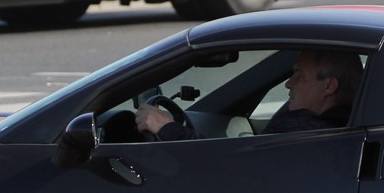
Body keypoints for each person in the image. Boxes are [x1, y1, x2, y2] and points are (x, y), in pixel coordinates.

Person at [135, 50, 363, 141]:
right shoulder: (347, 121)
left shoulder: (300, 130)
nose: (288, 83)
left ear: (329, 87)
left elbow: (227, 165)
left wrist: (165, 126)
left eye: (299, 76)